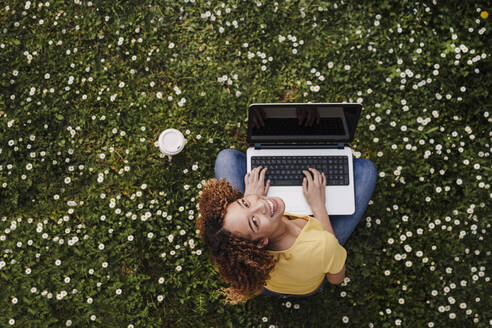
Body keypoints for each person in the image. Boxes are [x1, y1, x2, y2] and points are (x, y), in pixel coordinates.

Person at [196, 149, 377, 304]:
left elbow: (251, 214)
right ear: (261, 243)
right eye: (254, 222)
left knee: (226, 157)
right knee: (366, 170)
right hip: (310, 284)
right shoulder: (322, 245)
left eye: (244, 203)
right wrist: (319, 206)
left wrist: (251, 197)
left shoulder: (250, 261)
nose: (261, 205)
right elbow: (336, 279)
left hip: (266, 283)